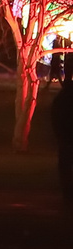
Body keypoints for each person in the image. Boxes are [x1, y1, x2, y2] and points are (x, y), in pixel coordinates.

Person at [53, 67, 73, 204]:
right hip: (67, 138)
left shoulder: (60, 99)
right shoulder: (62, 99)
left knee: (65, 167)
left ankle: (67, 193)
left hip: (65, 139)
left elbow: (55, 118)